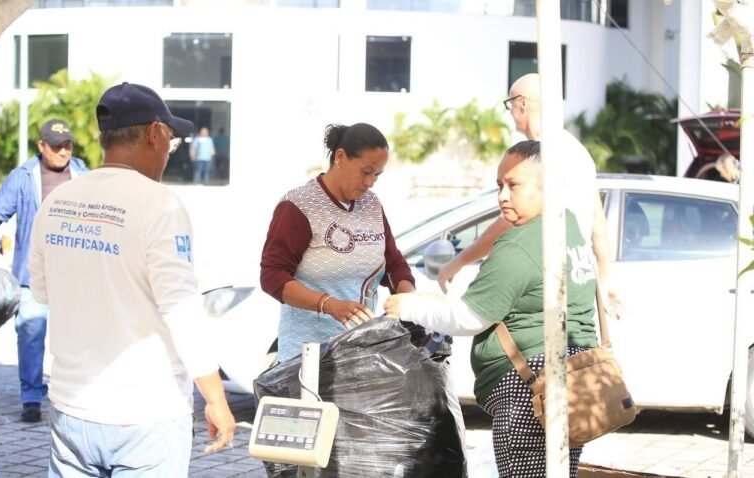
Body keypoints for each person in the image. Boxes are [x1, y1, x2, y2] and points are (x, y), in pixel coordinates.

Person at [28, 82, 235, 476]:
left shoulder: (57, 202)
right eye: (172, 141)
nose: (169, 152)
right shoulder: (160, 204)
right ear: (156, 133)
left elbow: (42, 290)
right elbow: (181, 310)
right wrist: (215, 397)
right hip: (145, 415)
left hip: (71, 409)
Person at [385, 140, 598, 477]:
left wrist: (409, 306)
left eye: (514, 185)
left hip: (529, 389)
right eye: (500, 185)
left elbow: (469, 317)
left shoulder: (521, 244)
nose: (502, 196)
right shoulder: (567, 226)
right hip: (575, 380)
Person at [436, 73, 617, 314]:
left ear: (522, 103)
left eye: (510, 104)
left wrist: (458, 262)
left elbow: (510, 220)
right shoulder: (578, 150)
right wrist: (605, 279)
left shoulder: (539, 156)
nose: (510, 112)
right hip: (575, 277)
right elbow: (597, 222)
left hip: (542, 279)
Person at [260, 122, 416, 362]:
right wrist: (329, 304)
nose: (370, 182)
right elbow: (272, 276)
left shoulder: (372, 205)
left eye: (377, 175)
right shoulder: (299, 206)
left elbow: (393, 263)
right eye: (366, 171)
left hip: (359, 354)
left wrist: (407, 299)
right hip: (307, 359)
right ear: (340, 157)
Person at [0, 118, 88, 423]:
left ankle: (75, 394)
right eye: (55, 146)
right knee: (30, 332)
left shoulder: (84, 175)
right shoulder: (23, 177)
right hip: (34, 275)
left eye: (67, 145)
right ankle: (31, 397)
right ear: (41, 146)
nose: (62, 152)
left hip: (76, 276)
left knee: (78, 337)